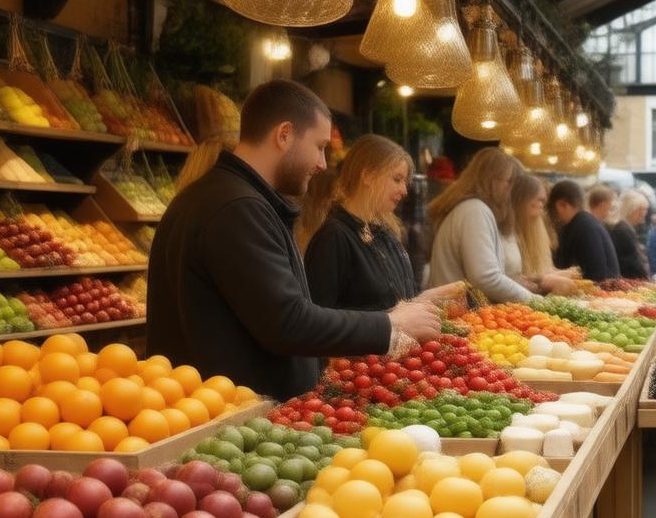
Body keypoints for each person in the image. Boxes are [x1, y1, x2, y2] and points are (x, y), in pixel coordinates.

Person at [148, 79, 440, 400]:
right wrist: (388, 323)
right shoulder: (237, 208)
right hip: (231, 415)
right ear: (284, 135)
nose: (322, 164)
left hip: (224, 407)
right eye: (319, 146)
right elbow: (288, 322)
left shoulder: (226, 199)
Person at [300, 135, 458, 313]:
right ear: (368, 176)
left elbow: (399, 301)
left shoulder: (384, 232)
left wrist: (426, 299)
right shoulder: (333, 236)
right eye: (397, 179)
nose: (404, 191)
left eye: (404, 182)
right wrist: (395, 319)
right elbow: (320, 321)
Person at [426, 147, 536, 302]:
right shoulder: (475, 211)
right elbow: (485, 277)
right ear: (492, 181)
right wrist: (535, 301)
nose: (511, 190)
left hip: (460, 315)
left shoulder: (473, 209)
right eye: (509, 181)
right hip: (459, 317)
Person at [501, 174, 576, 295]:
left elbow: (539, 270)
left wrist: (556, 275)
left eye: (544, 201)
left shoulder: (537, 228)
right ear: (522, 199)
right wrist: (545, 280)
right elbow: (511, 278)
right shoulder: (508, 233)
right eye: (539, 199)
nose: (542, 205)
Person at [549, 180, 620, 282]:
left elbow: (596, 274)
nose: (553, 213)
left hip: (599, 294)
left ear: (562, 204)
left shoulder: (584, 227)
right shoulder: (581, 223)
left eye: (553, 207)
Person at [609, 190, 651, 280]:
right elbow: (633, 263)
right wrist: (647, 280)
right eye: (643, 209)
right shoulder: (623, 230)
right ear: (633, 209)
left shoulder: (622, 227)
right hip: (628, 283)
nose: (645, 213)